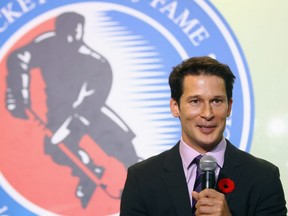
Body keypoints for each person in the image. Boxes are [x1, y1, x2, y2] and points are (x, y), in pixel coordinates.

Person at [120, 56, 287, 215]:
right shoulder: (142, 179)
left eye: (216, 101)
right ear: (175, 107)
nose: (207, 113)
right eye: (195, 101)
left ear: (229, 107)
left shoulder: (263, 177)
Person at [5, 12, 139, 208]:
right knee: (54, 148)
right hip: (57, 113)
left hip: (90, 111)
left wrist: (69, 128)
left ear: (81, 32)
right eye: (65, 33)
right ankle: (89, 174)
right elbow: (18, 57)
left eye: (75, 33)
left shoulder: (96, 63)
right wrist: (17, 94)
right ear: (59, 31)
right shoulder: (47, 46)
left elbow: (91, 103)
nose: (70, 39)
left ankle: (142, 180)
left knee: (120, 143)